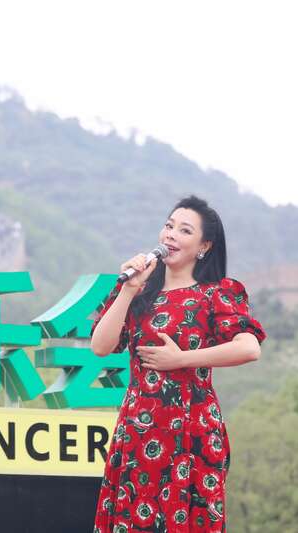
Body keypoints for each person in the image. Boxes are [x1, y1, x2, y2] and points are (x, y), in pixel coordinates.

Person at [90, 196, 265, 532]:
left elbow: (248, 347)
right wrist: (128, 290)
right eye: (169, 226)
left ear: (204, 246)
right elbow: (101, 346)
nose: (171, 234)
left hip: (191, 427)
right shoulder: (139, 291)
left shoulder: (216, 293)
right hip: (139, 426)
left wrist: (181, 359)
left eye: (185, 230)